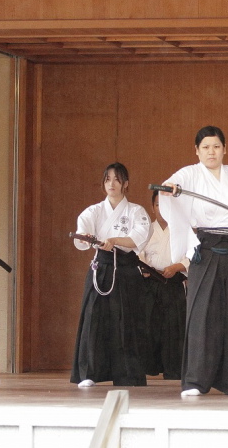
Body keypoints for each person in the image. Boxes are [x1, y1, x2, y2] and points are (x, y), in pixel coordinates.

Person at [159, 126, 228, 397]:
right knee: (202, 313)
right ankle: (196, 380)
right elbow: (170, 186)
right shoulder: (189, 174)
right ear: (196, 151)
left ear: (224, 149)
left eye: (216, 146)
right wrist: (170, 190)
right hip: (207, 249)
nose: (211, 152)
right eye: (205, 147)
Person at [70, 162, 151, 388]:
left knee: (126, 320)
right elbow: (82, 236)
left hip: (126, 270)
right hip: (101, 269)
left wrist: (114, 240)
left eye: (117, 179)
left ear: (125, 184)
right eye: (107, 179)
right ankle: (89, 372)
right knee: (93, 318)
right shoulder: (93, 211)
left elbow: (138, 237)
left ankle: (128, 374)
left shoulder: (136, 211)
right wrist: (87, 237)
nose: (111, 184)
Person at [137, 188, 190, 380]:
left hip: (173, 281)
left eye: (166, 205)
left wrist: (176, 267)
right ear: (153, 207)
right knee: (148, 325)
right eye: (158, 205)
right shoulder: (145, 230)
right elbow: (137, 253)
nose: (162, 209)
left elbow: (191, 255)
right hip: (150, 282)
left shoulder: (182, 229)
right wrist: (143, 268)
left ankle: (174, 370)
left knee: (174, 327)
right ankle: (148, 367)